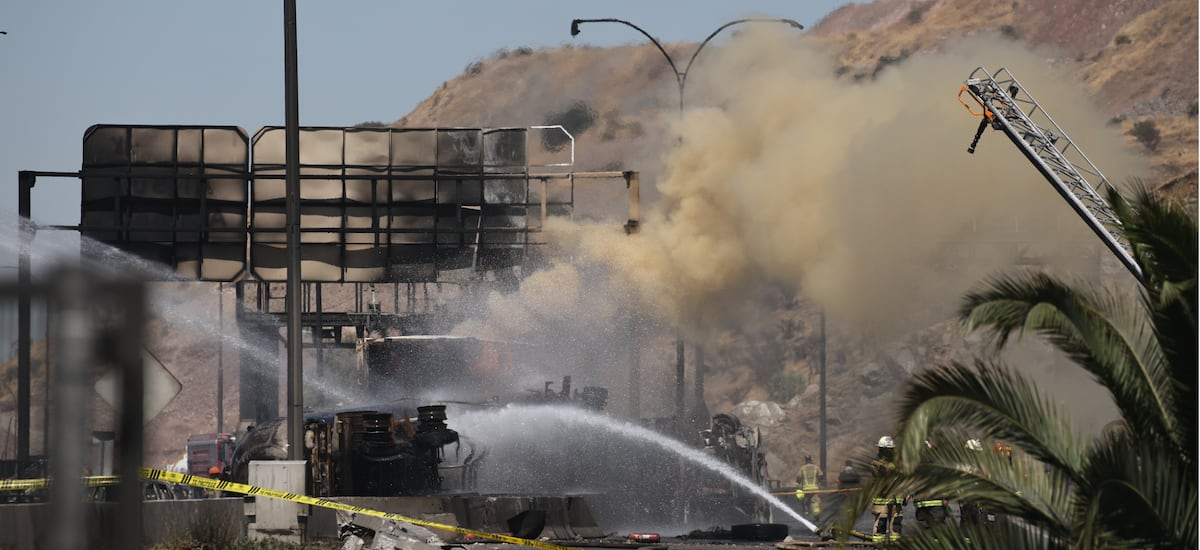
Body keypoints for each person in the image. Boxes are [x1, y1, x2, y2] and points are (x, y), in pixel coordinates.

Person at [869, 436, 904, 542]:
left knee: (896, 524)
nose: (890, 452)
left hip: (895, 499)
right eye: (888, 450)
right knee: (881, 523)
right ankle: (879, 545)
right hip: (882, 499)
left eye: (891, 449)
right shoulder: (875, 464)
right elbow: (883, 472)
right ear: (881, 450)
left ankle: (895, 544)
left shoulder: (897, 463)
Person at [913, 440, 950, 533]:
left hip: (925, 503)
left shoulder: (917, 466)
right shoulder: (939, 466)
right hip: (934, 503)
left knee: (927, 529)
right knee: (936, 530)